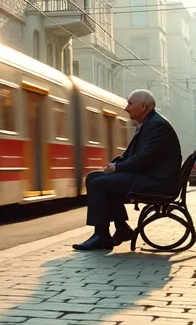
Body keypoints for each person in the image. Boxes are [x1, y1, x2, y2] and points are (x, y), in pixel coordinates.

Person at [74, 89, 182, 251]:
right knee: (93, 178)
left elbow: (145, 158)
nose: (126, 108)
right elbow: (135, 155)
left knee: (99, 184)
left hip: (156, 181)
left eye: (130, 104)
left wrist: (118, 167)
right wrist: (115, 165)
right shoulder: (149, 123)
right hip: (150, 176)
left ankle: (101, 235)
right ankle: (122, 228)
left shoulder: (156, 126)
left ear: (143, 107)